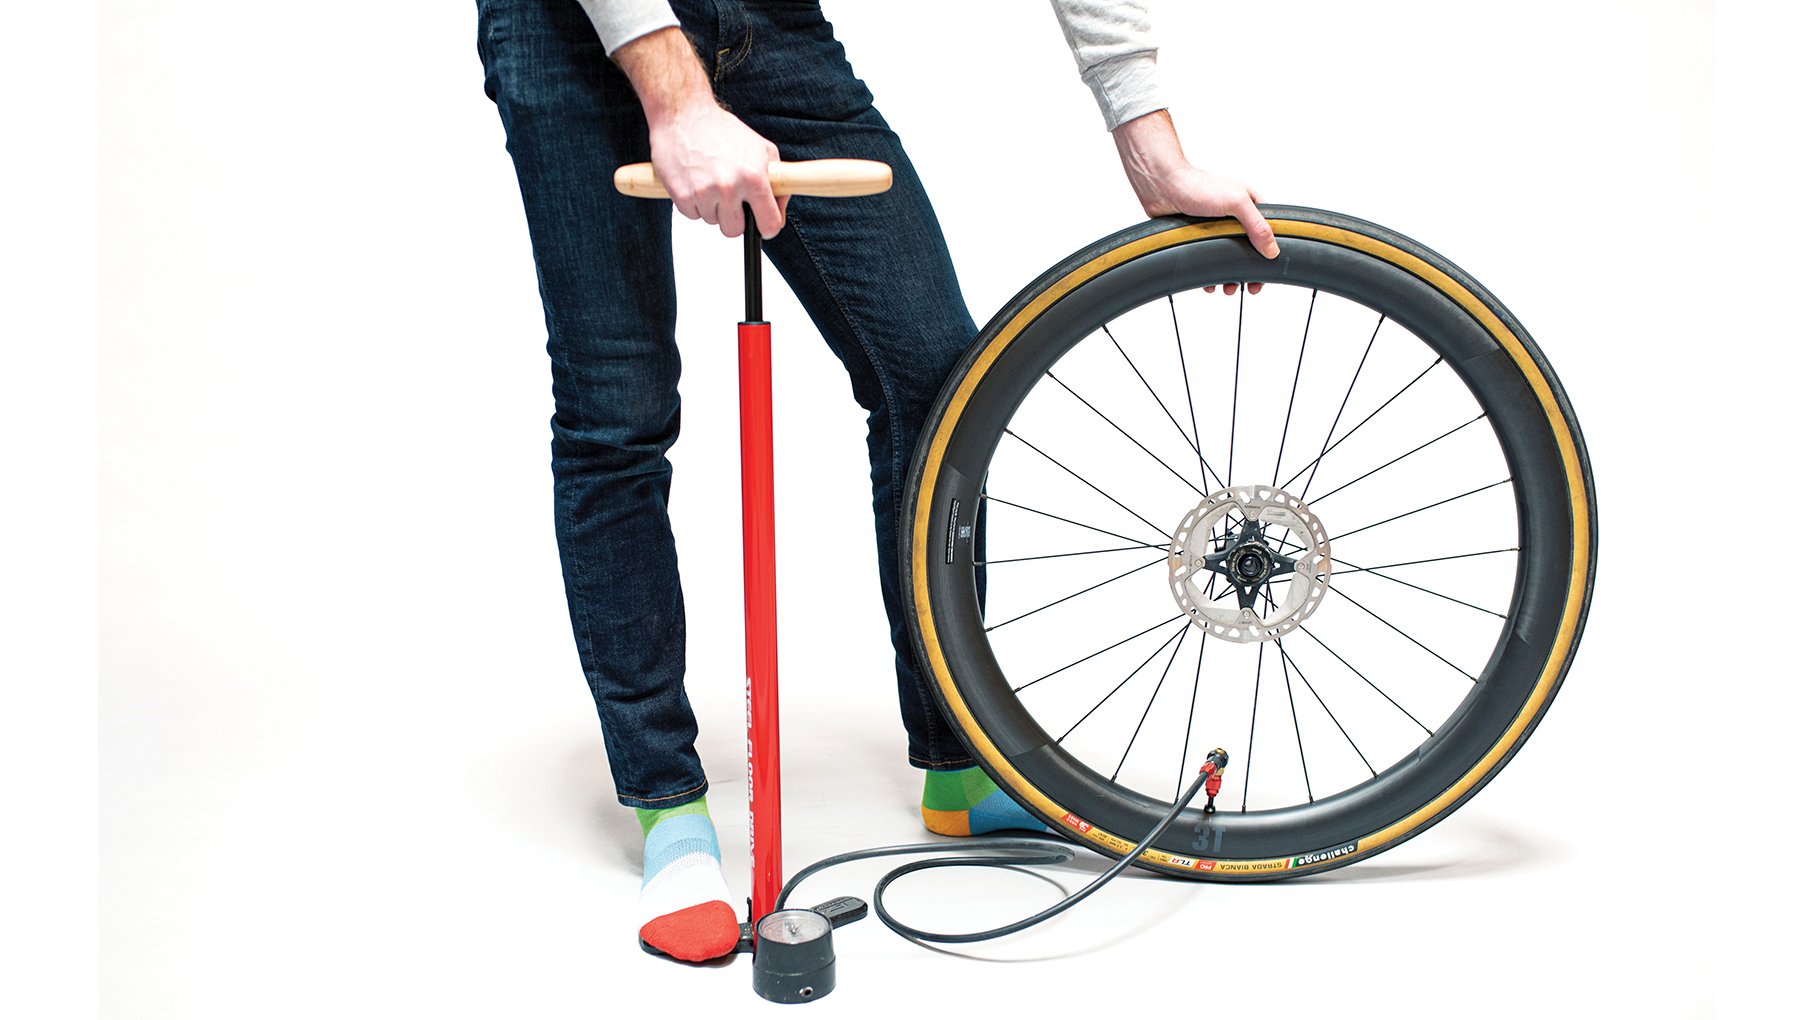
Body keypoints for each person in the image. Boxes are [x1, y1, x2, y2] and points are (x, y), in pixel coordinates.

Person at [476, 0, 1279, 962]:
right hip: (566, 28)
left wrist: (1151, 145)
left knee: (936, 383)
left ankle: (959, 767)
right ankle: (669, 811)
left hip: (762, 20)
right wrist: (677, 99)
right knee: (618, 411)